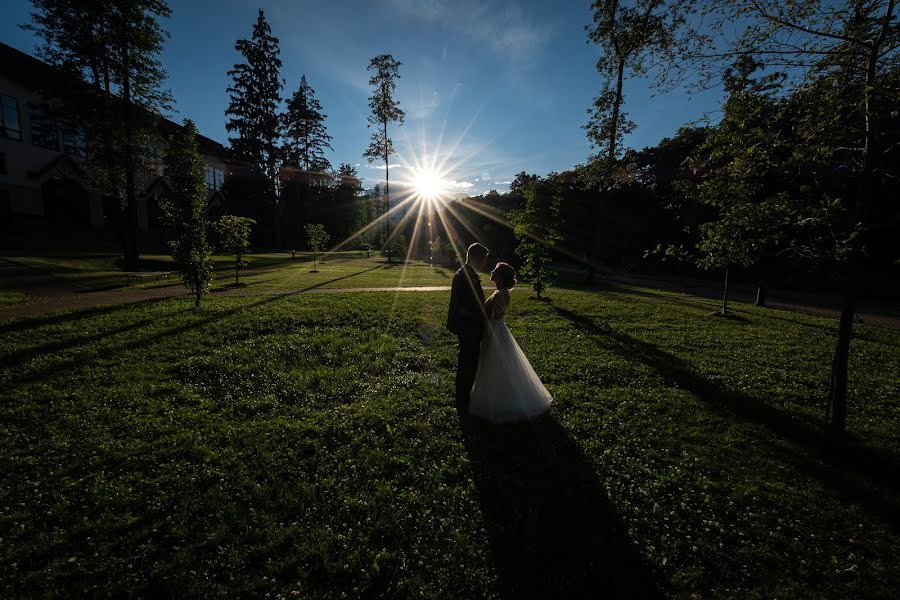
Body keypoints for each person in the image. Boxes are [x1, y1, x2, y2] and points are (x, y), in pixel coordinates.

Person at [469, 262, 552, 423]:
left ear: (500, 276)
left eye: (495, 271)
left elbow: (497, 315)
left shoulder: (500, 294)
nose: (491, 271)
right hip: (495, 330)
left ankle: (496, 401)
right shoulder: (500, 292)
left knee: (494, 363)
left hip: (495, 331)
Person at [446, 242, 489, 412]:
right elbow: (463, 305)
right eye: (483, 259)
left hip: (471, 326)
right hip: (468, 327)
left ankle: (466, 395)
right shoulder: (464, 275)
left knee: (470, 361)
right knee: (467, 363)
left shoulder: (468, 273)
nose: (484, 263)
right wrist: (481, 314)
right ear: (474, 257)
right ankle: (463, 399)